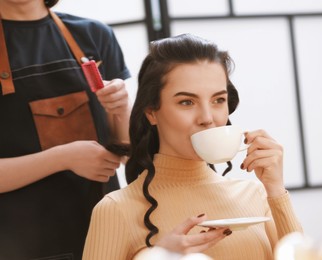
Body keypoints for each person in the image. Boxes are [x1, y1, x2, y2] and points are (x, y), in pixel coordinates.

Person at [82, 33, 303, 260]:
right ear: (151, 112)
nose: (207, 118)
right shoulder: (116, 209)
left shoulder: (255, 196)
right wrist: (159, 257)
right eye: (186, 102)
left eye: (218, 100)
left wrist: (276, 189)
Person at [0, 0, 131, 259]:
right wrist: (64, 158)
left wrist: (122, 106)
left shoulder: (94, 34)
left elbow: (126, 151)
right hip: (21, 243)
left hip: (107, 231)